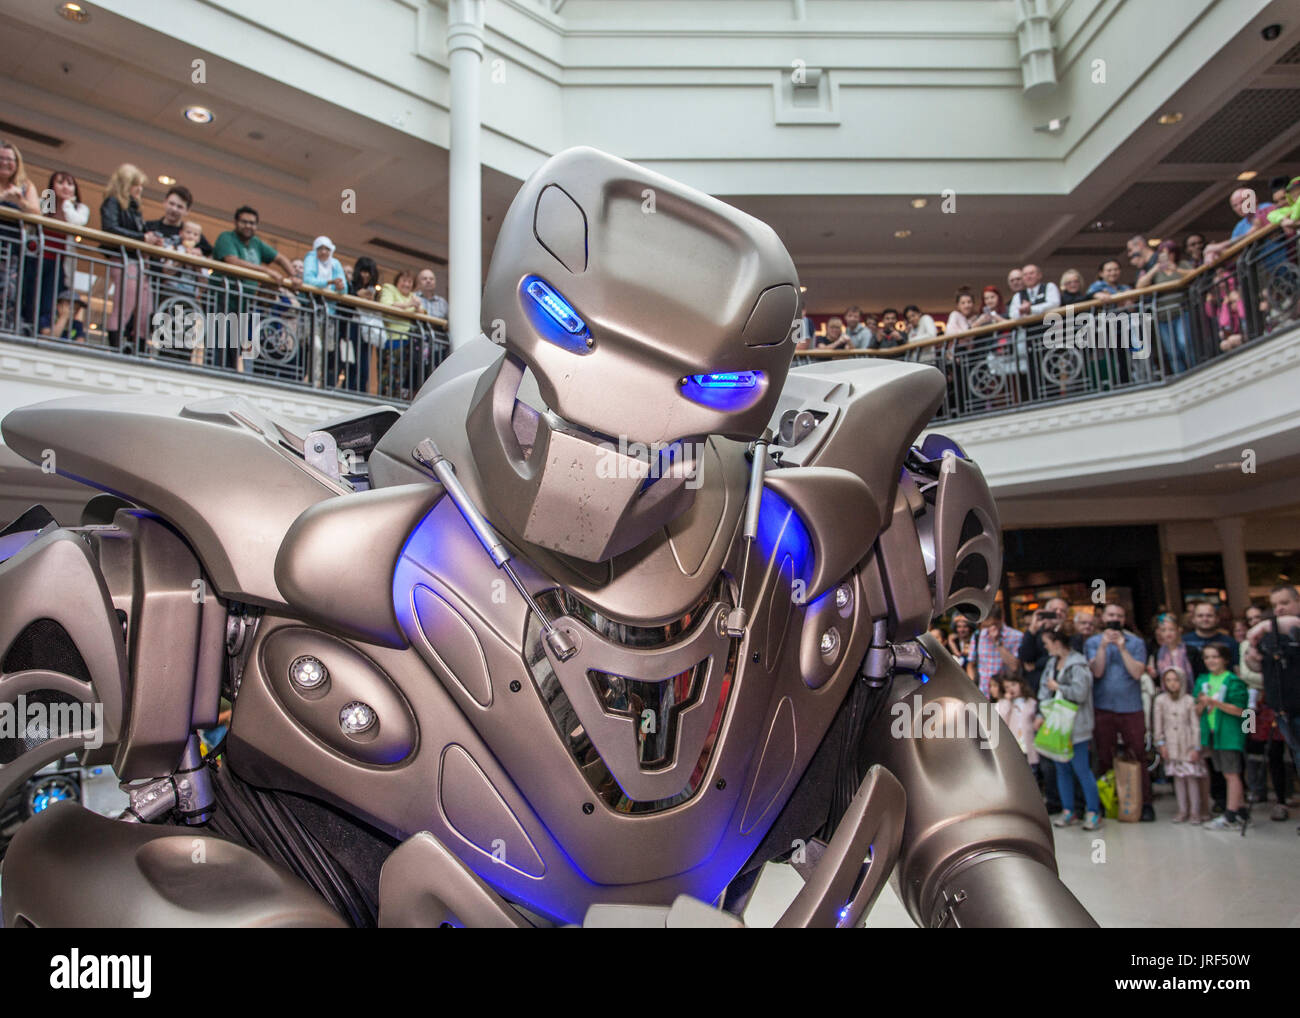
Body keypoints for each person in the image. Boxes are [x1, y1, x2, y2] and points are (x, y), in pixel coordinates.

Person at [1085, 602, 1154, 820]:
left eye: (1120, 615)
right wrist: (1104, 647)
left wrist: (1122, 648)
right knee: (1105, 755)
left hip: (1131, 707)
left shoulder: (1136, 642)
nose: (1115, 619)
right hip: (1103, 707)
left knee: (1138, 754)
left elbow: (1137, 673)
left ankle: (1144, 803)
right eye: (1111, 615)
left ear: (1124, 619)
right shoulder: (1093, 642)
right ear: (1103, 618)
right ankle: (1110, 800)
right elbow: (1096, 672)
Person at [1244, 583, 1300, 832]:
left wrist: (1268, 625)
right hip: (1281, 708)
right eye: (1275, 605)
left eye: (1284, 603)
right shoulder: (1268, 635)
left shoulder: (1293, 629)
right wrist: (1252, 657)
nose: (1279, 609)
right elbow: (1258, 669)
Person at [210, 206, 296, 369]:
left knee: (233, 349)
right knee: (219, 345)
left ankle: (229, 377)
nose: (248, 226)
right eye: (244, 222)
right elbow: (232, 261)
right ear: (236, 222)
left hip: (243, 304)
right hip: (222, 299)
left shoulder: (256, 243)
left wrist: (294, 276)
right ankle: (215, 376)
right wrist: (265, 270)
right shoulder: (226, 237)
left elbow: (280, 258)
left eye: (252, 223)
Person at [1038, 627, 1103, 830]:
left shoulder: (1078, 664)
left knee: (1082, 769)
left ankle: (1093, 811)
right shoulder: (1051, 663)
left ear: (1057, 643)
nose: (1045, 646)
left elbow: (1080, 693)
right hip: (1057, 725)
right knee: (1061, 769)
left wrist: (1059, 688)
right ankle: (1069, 810)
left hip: (1076, 726)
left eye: (1047, 642)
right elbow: (1043, 688)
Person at [99, 163, 159, 352]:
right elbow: (110, 229)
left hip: (138, 262)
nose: (139, 189)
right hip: (125, 260)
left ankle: (138, 349)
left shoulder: (134, 209)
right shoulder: (112, 202)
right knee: (124, 306)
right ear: (125, 184)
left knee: (144, 310)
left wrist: (149, 240)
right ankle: (116, 346)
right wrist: (142, 238)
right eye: (135, 184)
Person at [1194, 643, 1250, 831]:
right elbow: (1197, 708)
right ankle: (1241, 811)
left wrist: (1215, 702)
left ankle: (1230, 815)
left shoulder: (1233, 681)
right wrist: (1202, 704)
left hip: (1230, 733)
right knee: (1225, 772)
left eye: (1215, 657)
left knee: (1231, 774)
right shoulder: (1202, 680)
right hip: (1212, 733)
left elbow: (1241, 711)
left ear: (1225, 659)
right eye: (1207, 657)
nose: (1211, 661)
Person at [35, 170, 90, 335]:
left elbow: (76, 223)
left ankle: (45, 329)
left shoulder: (79, 208)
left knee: (50, 298)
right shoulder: (46, 203)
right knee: (33, 293)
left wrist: (67, 204)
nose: (65, 186)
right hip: (38, 256)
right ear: (52, 186)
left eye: (69, 183)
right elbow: (34, 220)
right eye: (60, 182)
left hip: (59, 262)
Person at [1153, 666, 1206, 822]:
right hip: (1171, 744)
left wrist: (1197, 746)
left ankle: (1195, 811)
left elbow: (1195, 725)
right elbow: (1158, 724)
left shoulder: (1189, 700)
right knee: (1178, 779)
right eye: (1168, 680)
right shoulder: (1160, 700)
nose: (1172, 684)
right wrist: (1160, 743)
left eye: (1176, 680)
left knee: (1191, 778)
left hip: (1187, 743)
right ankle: (1182, 810)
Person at [1137, 240, 1191, 374]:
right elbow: (1140, 286)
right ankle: (1180, 374)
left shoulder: (1182, 265)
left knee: (1184, 343)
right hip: (1162, 315)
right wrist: (1155, 268)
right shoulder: (1155, 271)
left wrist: (1175, 269)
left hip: (1181, 310)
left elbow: (1194, 274)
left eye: (1169, 253)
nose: (1166, 257)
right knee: (1172, 350)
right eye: (1163, 254)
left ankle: (1193, 369)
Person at [378, 269, 423, 398]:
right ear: (397, 281)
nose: (407, 284)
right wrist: (409, 305)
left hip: (409, 341)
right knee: (388, 372)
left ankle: (397, 397)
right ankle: (385, 397)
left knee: (402, 374)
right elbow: (386, 305)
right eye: (404, 280)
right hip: (393, 338)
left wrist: (417, 307)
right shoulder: (389, 289)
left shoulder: (413, 296)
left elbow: (423, 314)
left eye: (410, 282)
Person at [966, 604, 1022, 697]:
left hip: (1006, 693)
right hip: (983, 692)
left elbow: (1014, 666)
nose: (990, 629)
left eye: (994, 624)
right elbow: (971, 663)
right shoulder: (978, 636)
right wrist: (972, 685)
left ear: (1001, 619)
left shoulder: (1016, 636)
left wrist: (997, 642)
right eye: (986, 626)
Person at [143, 185, 213, 257]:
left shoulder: (191, 232)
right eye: (171, 204)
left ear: (187, 211)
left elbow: (209, 251)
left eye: (179, 207)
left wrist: (198, 252)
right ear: (164, 203)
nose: (174, 209)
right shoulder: (148, 226)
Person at [997, 674, 1039, 771]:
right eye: (1007, 687)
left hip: (1029, 745)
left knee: (1032, 774)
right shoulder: (1004, 703)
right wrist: (1007, 701)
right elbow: (1001, 719)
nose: (1011, 689)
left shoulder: (1031, 701)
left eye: (1013, 684)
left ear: (1021, 684)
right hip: (1015, 747)